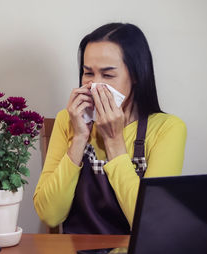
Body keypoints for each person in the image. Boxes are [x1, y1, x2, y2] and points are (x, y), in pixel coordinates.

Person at [33, 23, 187, 234]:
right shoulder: (66, 120)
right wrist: (79, 138)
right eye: (88, 73)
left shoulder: (167, 129)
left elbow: (151, 224)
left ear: (136, 75)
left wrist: (115, 142)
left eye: (108, 75)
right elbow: (50, 214)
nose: (95, 85)